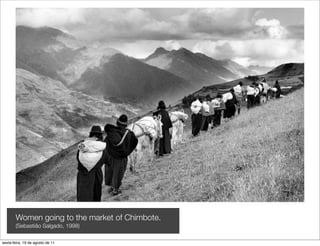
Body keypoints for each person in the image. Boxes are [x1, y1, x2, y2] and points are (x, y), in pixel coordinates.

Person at [104, 114, 138, 196]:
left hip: (110, 156)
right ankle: (115, 190)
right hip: (121, 158)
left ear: (117, 123)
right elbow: (135, 142)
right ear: (126, 124)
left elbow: (106, 142)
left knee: (110, 171)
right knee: (118, 173)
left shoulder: (111, 131)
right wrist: (127, 151)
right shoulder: (129, 134)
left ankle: (111, 186)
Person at [76, 125, 107, 202]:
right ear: (100, 135)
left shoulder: (83, 146)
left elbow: (78, 158)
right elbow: (105, 159)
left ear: (91, 134)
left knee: (83, 196)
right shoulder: (102, 147)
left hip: (83, 175)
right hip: (96, 174)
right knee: (95, 196)